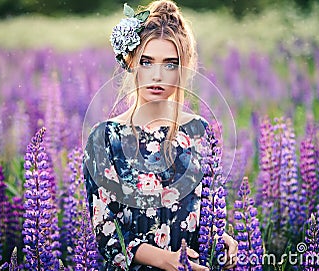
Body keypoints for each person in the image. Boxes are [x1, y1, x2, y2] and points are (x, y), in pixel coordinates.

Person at [83, 1, 238, 270]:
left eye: (170, 64)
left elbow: (199, 213)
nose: (156, 75)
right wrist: (166, 260)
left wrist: (217, 239)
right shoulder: (105, 138)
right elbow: (107, 235)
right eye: (147, 61)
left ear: (183, 68)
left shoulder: (200, 133)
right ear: (131, 62)